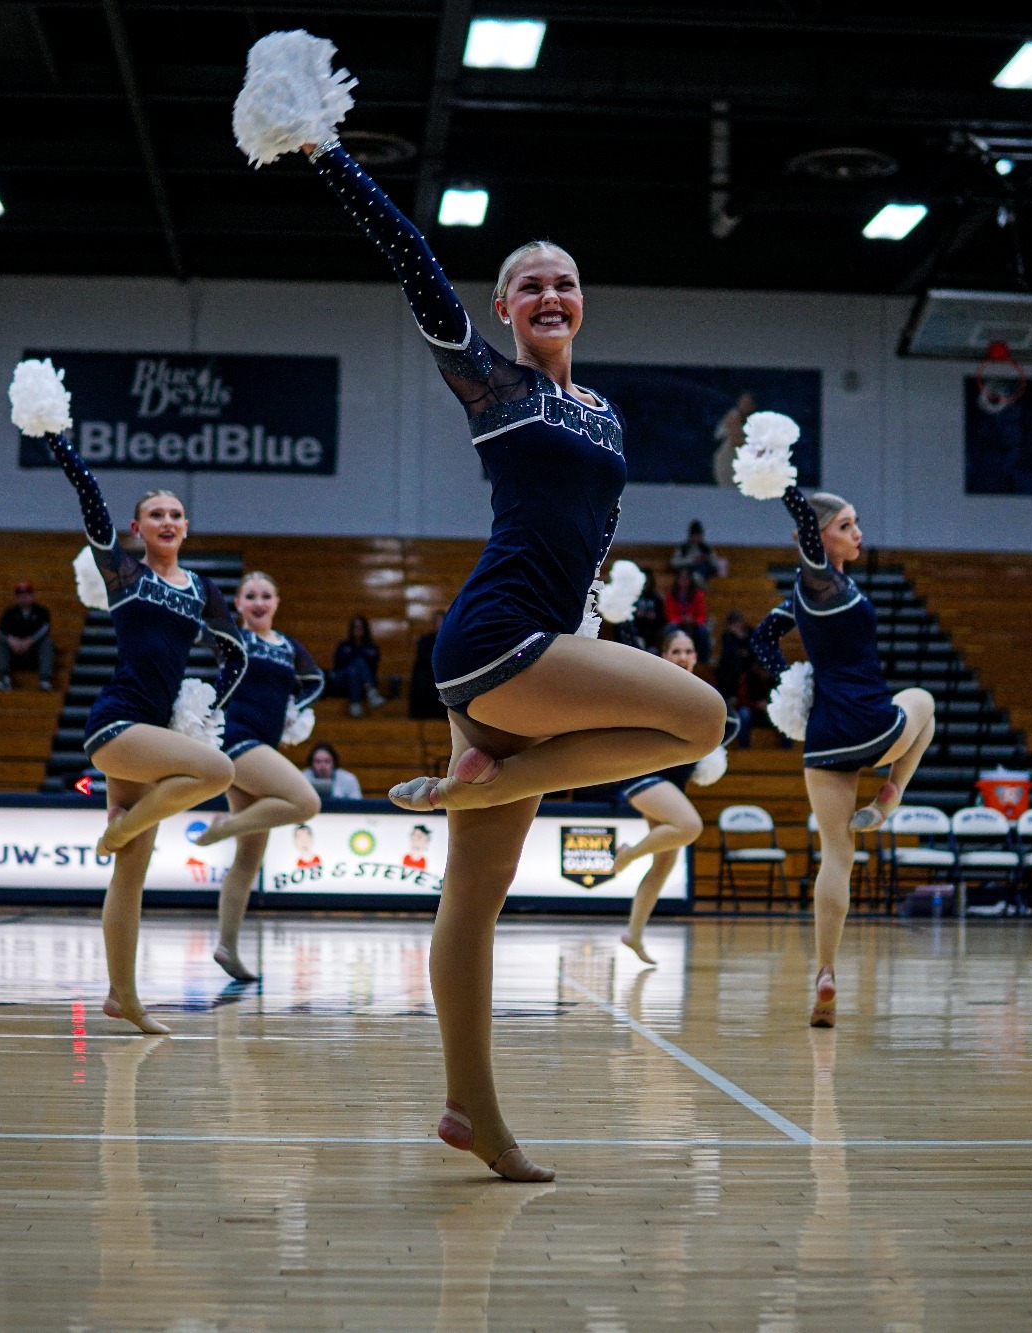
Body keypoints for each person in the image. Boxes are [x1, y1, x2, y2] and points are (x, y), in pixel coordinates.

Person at [291, 91, 726, 1182]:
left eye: (563, 281)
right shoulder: (494, 384)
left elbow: (587, 539)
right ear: (504, 305)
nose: (548, 292)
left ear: (583, 305)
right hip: (496, 640)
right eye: (529, 282)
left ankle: (470, 1111)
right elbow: (410, 263)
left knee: (473, 903)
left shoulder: (607, 415)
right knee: (701, 714)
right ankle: (473, 787)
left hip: (525, 662)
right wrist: (328, 155)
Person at [43, 433, 245, 1035]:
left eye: (176, 514)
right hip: (115, 722)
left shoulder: (202, 589)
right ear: (137, 527)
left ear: (186, 527)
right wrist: (59, 442)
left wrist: (207, 712)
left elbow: (233, 655)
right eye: (156, 514)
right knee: (219, 771)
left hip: (156, 727)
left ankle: (122, 996)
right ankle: (120, 829)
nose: (167, 521)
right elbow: (90, 503)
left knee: (131, 872)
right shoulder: (123, 573)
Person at [751, 486, 936, 1029]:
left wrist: (790, 679)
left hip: (825, 737)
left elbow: (764, 639)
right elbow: (806, 526)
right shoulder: (818, 578)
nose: (858, 534)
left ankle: (825, 973)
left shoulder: (807, 596)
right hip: (871, 725)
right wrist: (783, 479)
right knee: (924, 702)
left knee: (837, 853)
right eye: (847, 525)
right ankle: (890, 796)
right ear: (822, 536)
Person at [191, 571, 325, 982]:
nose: (259, 602)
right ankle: (225, 827)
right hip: (237, 741)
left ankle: (226, 947)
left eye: (266, 595)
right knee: (306, 802)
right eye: (250, 596)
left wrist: (294, 709)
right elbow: (206, 624)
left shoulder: (287, 647)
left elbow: (316, 680)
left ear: (277, 601)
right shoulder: (235, 639)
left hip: (263, 743)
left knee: (249, 859)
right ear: (239, 604)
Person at [610, 629, 718, 965]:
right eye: (676, 651)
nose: (683, 656)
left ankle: (634, 934)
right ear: (665, 657)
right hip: (643, 773)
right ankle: (628, 854)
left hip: (672, 780)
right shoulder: (659, 688)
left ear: (696, 658)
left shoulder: (704, 694)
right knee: (689, 826)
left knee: (666, 861)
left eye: (688, 651)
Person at [0, 581, 54, 690]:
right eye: (20, 595)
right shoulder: (10, 613)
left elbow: (45, 629)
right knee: (0, 642)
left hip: (33, 652)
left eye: (27, 594)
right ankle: (4, 678)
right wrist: (11, 640)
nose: (24, 597)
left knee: (47, 642)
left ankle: (44, 680)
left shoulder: (41, 612)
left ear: (32, 596)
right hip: (14, 652)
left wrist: (29, 641)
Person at [333, 614, 385, 717]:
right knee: (357, 663)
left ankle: (355, 704)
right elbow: (339, 663)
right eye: (355, 627)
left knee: (355, 670)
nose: (358, 630)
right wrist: (359, 655)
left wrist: (355, 655)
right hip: (344, 683)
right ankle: (371, 691)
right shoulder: (343, 646)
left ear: (365, 629)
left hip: (360, 683)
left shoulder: (372, 647)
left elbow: (374, 664)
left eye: (361, 627)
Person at [663, 568, 712, 661]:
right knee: (670, 628)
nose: (684, 581)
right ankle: (668, 658)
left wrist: (693, 620)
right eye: (682, 578)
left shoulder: (698, 594)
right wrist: (682, 620)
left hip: (693, 624)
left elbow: (702, 616)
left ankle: (703, 661)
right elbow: (670, 615)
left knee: (703, 631)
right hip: (678, 623)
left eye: (686, 578)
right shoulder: (671, 594)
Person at [409, 609, 446, 719]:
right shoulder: (424, 640)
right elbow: (424, 659)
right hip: (430, 675)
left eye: (442, 621)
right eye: (437, 621)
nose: (439, 624)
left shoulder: (453, 640)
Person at [670, 520, 727, 587]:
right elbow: (674, 562)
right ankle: (698, 582)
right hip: (689, 572)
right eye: (694, 536)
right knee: (690, 574)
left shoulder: (706, 548)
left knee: (722, 563)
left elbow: (715, 562)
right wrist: (692, 560)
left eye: (698, 536)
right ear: (690, 536)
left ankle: (700, 581)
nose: (696, 538)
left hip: (704, 571)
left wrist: (708, 559)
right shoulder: (683, 548)